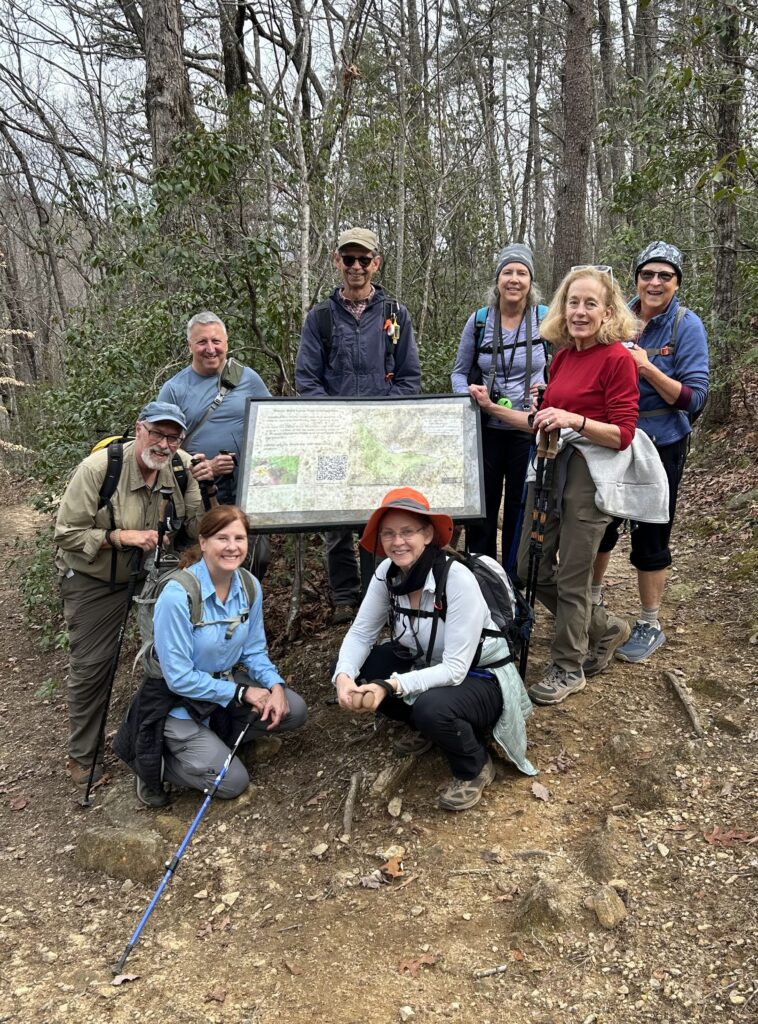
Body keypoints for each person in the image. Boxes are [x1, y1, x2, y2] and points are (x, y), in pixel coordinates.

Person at [471, 267, 668, 706]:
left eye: (590, 304)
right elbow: (541, 420)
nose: (579, 311)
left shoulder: (616, 358)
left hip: (589, 478)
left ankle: (567, 666)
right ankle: (605, 628)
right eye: (572, 303)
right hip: (549, 468)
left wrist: (574, 419)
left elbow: (623, 433)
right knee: (528, 567)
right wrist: (492, 408)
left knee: (575, 577)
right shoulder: (562, 358)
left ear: (608, 312)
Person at [333, 487, 536, 812]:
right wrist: (344, 677)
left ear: (427, 534)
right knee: (368, 666)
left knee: (431, 707)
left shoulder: (456, 578)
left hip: (481, 677)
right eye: (388, 533)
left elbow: (455, 669)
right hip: (426, 665)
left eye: (407, 532)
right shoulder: (387, 574)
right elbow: (361, 633)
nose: (398, 542)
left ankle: (474, 766)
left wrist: (390, 686)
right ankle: (428, 729)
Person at [54, 401, 206, 787]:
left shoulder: (181, 467)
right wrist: (122, 537)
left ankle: (170, 741)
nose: (164, 444)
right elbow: (67, 533)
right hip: (94, 579)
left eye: (173, 437)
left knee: (177, 652)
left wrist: (208, 486)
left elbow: (198, 529)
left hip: (155, 575)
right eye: (157, 433)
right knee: (93, 666)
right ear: (139, 429)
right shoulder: (98, 469)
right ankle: (83, 757)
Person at [114, 505, 307, 806]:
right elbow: (178, 678)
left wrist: (276, 686)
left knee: (293, 710)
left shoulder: (249, 586)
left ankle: (218, 745)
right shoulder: (178, 595)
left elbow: (254, 651)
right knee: (232, 783)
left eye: (239, 538)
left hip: (223, 691)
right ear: (203, 542)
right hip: (177, 702)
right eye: (222, 538)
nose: (232, 547)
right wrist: (243, 693)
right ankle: (153, 762)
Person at [587, 242, 709, 668]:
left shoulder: (686, 325)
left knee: (651, 532)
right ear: (636, 278)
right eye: (647, 274)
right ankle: (592, 607)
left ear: (677, 282)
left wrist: (646, 367)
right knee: (600, 523)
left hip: (661, 442)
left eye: (665, 276)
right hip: (611, 437)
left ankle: (649, 622)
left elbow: (695, 399)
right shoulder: (616, 317)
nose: (655, 283)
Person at [296, 227, 421, 624]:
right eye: (348, 258)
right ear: (337, 261)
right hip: (334, 437)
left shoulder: (395, 314)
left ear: (375, 263)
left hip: (381, 438)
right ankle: (345, 596)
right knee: (337, 518)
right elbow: (307, 380)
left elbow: (409, 377)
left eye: (363, 259)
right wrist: (337, 421)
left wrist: (379, 421)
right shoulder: (320, 318)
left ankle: (383, 593)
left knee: (383, 514)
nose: (356, 266)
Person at [451, 243, 548, 572]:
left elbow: (565, 367)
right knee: (483, 508)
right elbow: (458, 372)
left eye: (521, 273)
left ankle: (513, 579)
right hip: (486, 428)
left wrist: (549, 392)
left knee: (521, 508)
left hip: (527, 427)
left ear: (530, 281)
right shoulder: (480, 321)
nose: (514, 279)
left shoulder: (544, 318)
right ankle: (482, 576)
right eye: (507, 272)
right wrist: (467, 393)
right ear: (497, 280)